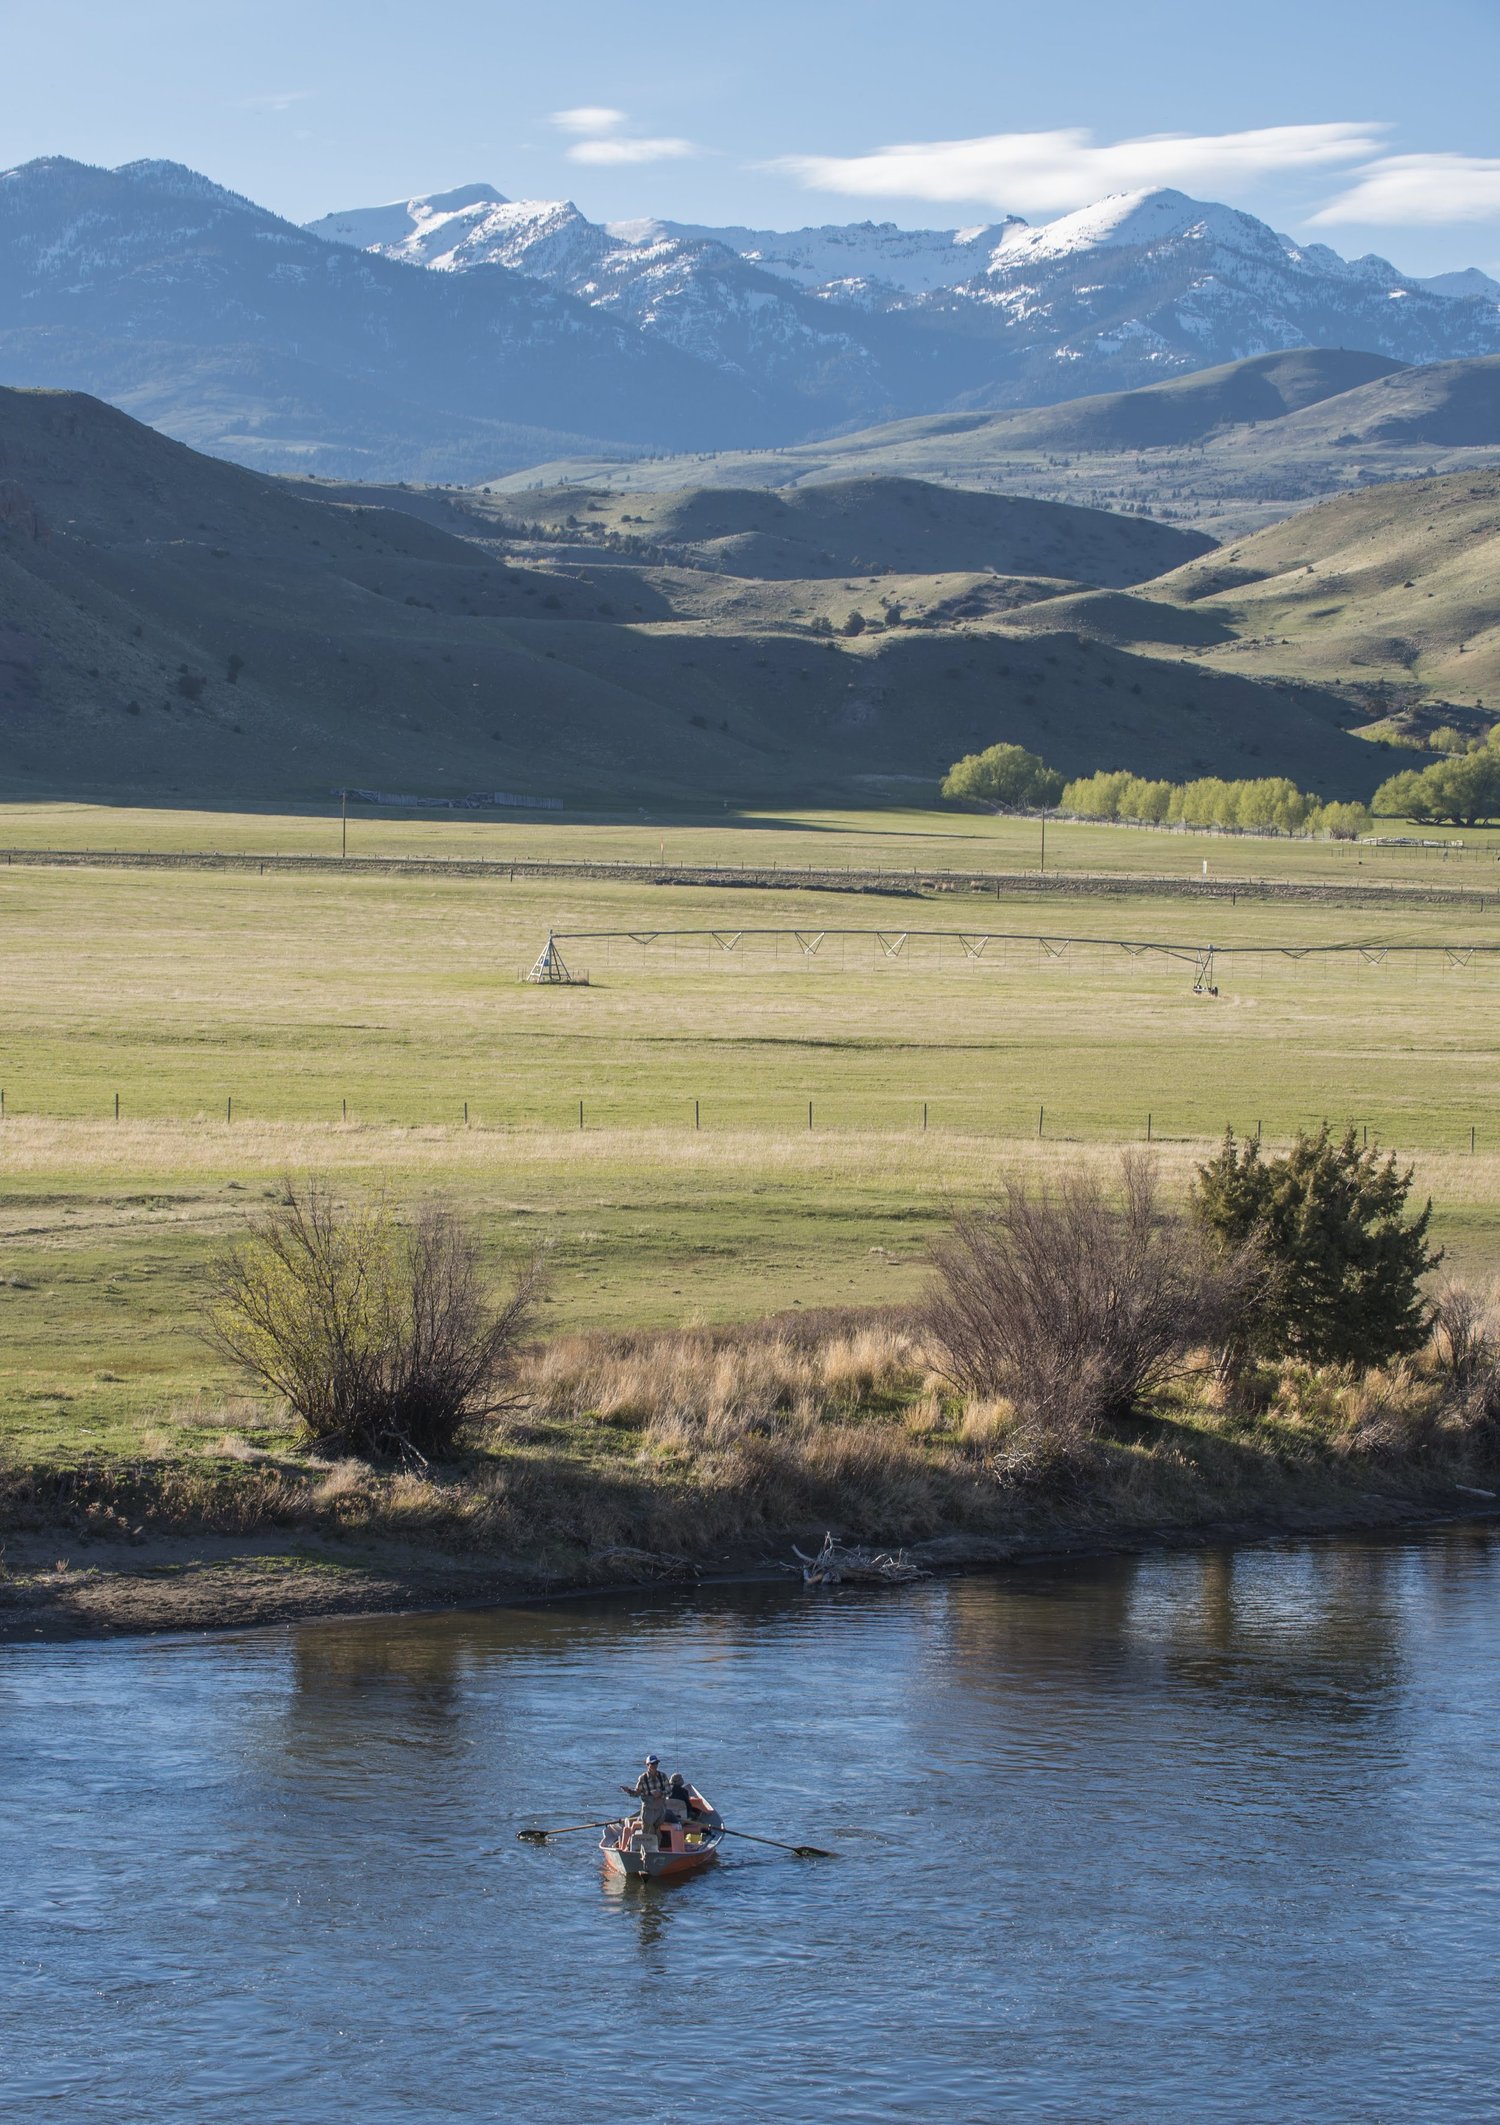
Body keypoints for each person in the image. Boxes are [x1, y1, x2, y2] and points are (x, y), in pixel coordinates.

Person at [624, 1754, 670, 1851]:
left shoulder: (663, 1776)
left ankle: (656, 1849)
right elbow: (637, 1793)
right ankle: (645, 1850)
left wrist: (660, 1793)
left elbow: (669, 1791)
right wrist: (629, 1791)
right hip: (648, 1810)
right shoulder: (642, 1778)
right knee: (647, 1831)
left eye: (656, 1763)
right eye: (652, 1764)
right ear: (647, 1765)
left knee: (657, 1830)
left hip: (660, 1809)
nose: (655, 1765)